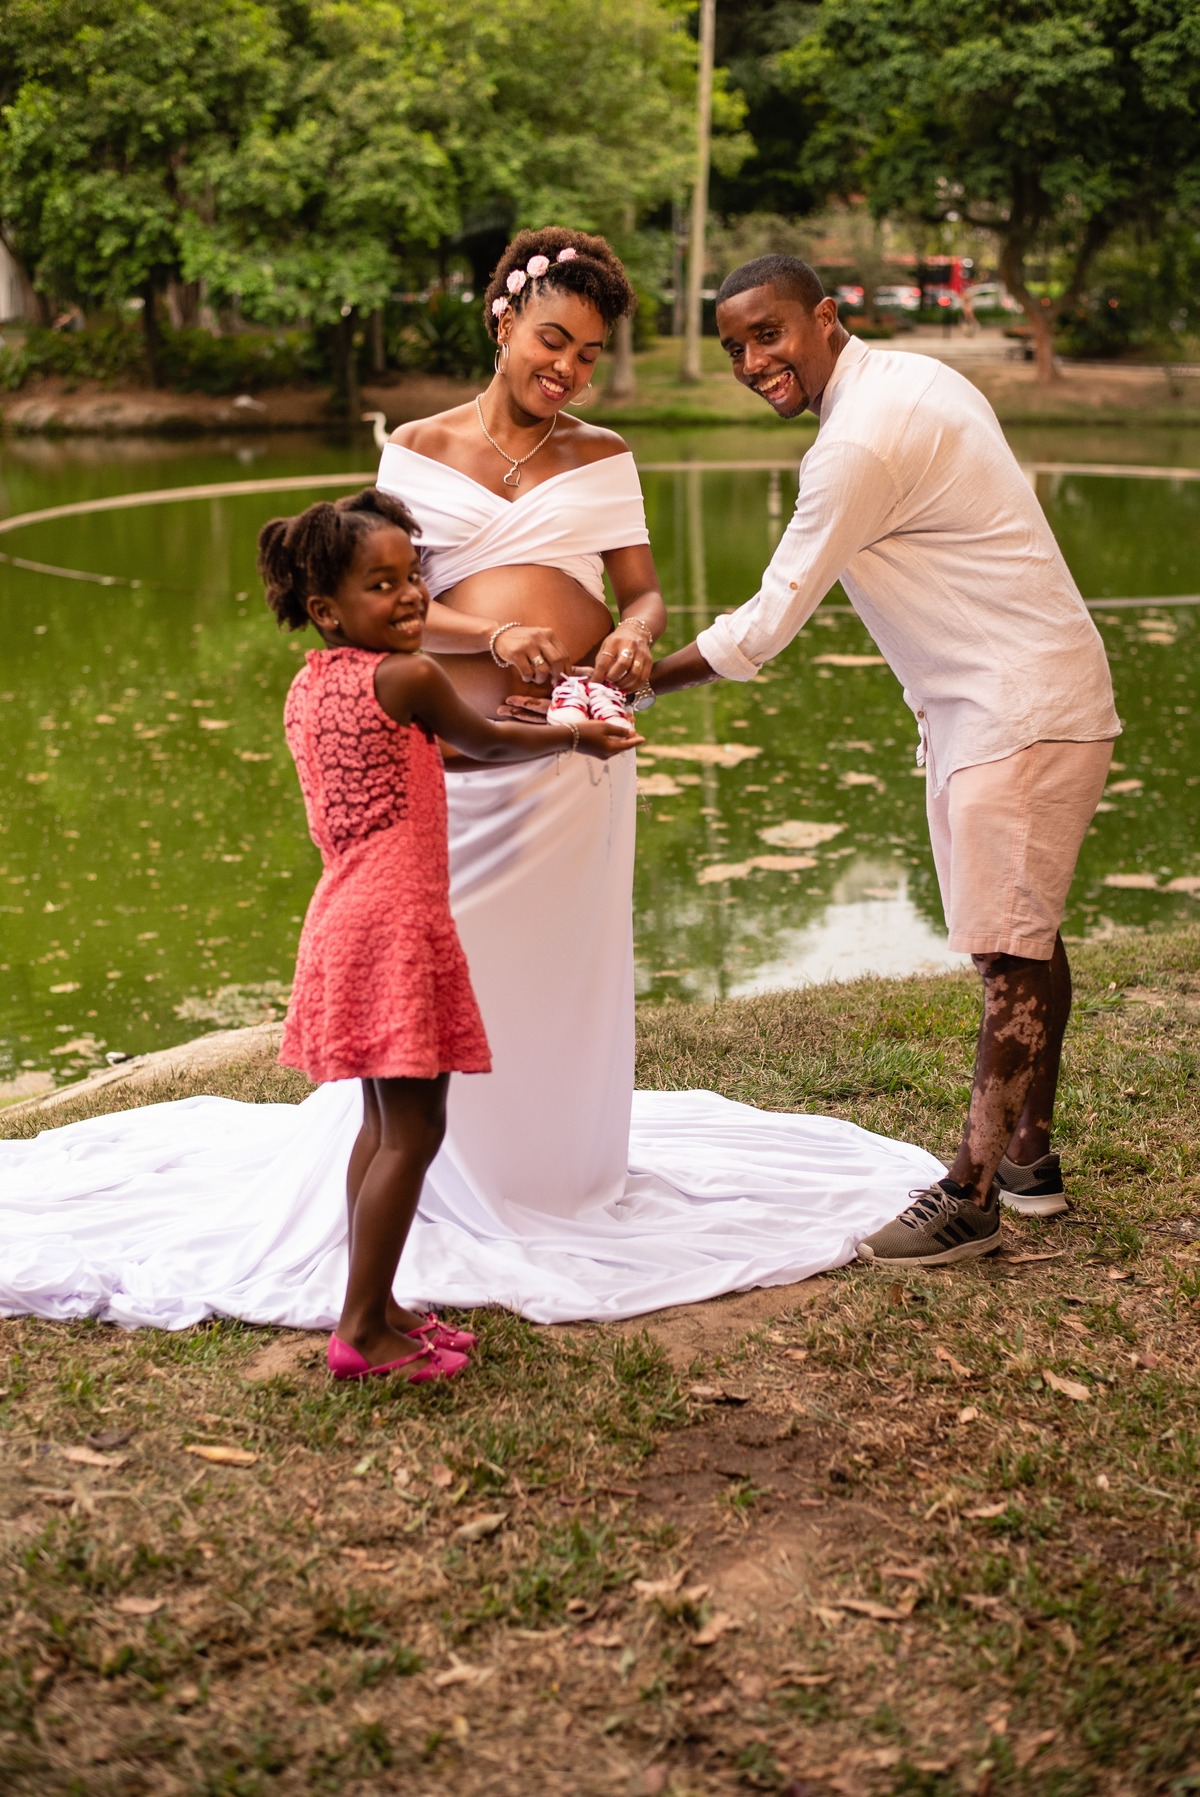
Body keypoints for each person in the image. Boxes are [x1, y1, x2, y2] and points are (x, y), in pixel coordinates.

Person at [0, 231, 946, 1333]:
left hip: (577, 760)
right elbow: (389, 596)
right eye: (554, 341)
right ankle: (438, 1190)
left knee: (556, 979)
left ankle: (556, 1173)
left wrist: (637, 641)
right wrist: (490, 635)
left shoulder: (607, 457)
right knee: (445, 984)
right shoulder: (414, 450)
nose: (569, 370)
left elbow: (641, 595)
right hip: (461, 763)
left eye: (589, 354)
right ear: (504, 326)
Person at [651, 253, 1120, 1270]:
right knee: (1023, 934)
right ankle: (1029, 1163)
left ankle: (973, 1192)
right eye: (733, 345)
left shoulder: (859, 439)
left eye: (767, 335)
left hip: (1017, 707)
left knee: (1013, 949)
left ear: (825, 317)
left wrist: (639, 682)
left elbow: (770, 621)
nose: (750, 360)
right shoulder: (909, 381)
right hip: (1001, 701)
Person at [259, 486, 638, 1379]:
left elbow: (434, 748)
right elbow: (487, 743)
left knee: (380, 1123)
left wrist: (509, 731)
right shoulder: (414, 673)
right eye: (380, 586)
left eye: (413, 577)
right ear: (327, 608)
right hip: (397, 921)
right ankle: (361, 1333)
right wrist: (573, 737)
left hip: (345, 916)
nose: (409, 597)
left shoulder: (318, 684)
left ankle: (377, 1299)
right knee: (416, 1128)